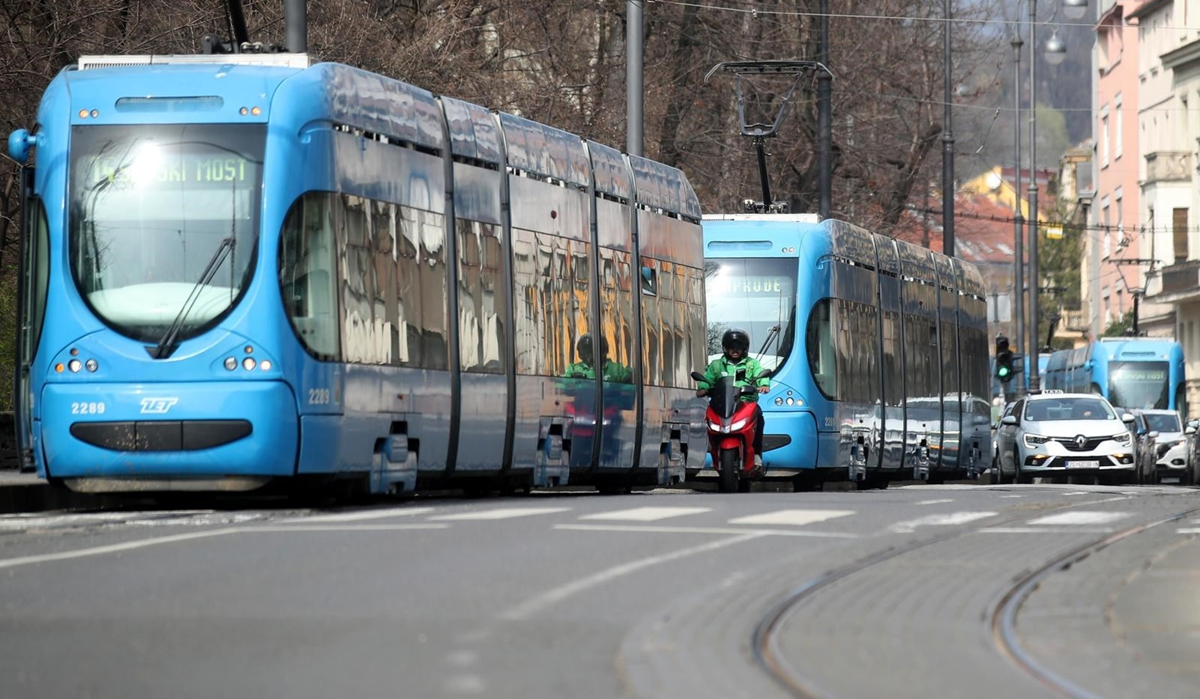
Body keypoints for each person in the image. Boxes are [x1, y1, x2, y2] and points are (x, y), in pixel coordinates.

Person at [696, 328, 770, 468]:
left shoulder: (751, 364)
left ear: (744, 349)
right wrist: (703, 388)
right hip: (722, 404)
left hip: (746, 404)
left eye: (739, 347)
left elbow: (761, 374)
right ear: (725, 348)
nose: (735, 350)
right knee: (707, 420)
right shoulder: (717, 365)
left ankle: (756, 455)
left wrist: (764, 384)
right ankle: (715, 449)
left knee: (759, 417)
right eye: (731, 347)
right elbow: (708, 378)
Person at [566, 333, 632, 383]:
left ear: (603, 351)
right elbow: (563, 386)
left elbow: (632, 379)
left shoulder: (616, 369)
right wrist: (573, 382)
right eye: (585, 353)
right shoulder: (573, 369)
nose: (588, 357)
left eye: (590, 352)